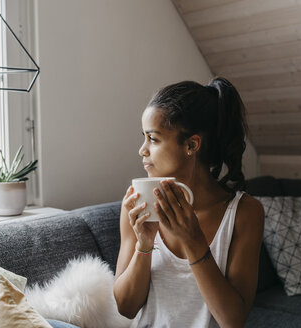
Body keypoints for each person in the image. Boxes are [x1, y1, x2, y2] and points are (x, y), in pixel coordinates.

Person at [113, 78, 265, 328]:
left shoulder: (244, 213)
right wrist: (145, 244)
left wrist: (193, 241)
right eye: (144, 138)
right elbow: (126, 308)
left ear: (191, 144)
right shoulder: (135, 205)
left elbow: (233, 321)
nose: (142, 150)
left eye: (153, 138)